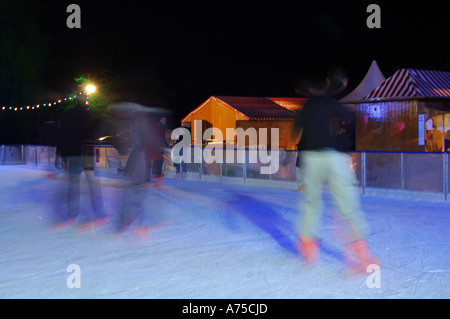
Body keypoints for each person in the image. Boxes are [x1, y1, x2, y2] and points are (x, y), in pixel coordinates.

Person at [293, 68, 379, 274]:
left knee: (311, 202)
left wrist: (298, 163)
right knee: (348, 206)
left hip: (311, 158)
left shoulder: (306, 107)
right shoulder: (331, 103)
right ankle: (362, 254)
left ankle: (307, 245)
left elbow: (298, 135)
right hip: (334, 157)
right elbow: (351, 121)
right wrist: (345, 141)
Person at [53, 94, 108, 230]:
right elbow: (95, 131)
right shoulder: (89, 115)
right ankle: (100, 214)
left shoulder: (66, 116)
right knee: (94, 186)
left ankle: (72, 215)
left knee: (73, 186)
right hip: (87, 153)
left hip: (73, 155)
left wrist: (62, 157)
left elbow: (60, 137)